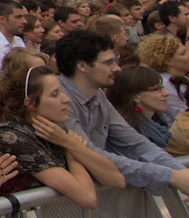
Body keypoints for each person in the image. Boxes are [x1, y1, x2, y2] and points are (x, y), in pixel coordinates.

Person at [55, 30, 189, 196]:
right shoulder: (59, 100)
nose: (117, 68)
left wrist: (180, 173)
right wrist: (170, 176)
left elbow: (134, 142)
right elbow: (92, 156)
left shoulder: (98, 95)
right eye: (109, 63)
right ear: (82, 66)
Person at [0, 65, 125, 208]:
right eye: (55, 94)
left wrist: (70, 143)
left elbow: (117, 180)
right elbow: (87, 197)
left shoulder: (55, 129)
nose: (66, 99)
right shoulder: (12, 136)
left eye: (62, 92)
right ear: (30, 103)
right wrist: (70, 149)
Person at [107, 65, 173, 149]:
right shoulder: (127, 131)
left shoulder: (159, 120)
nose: (166, 93)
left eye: (162, 88)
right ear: (136, 96)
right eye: (157, 89)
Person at [137, 33, 189, 124]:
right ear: (169, 61)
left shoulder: (182, 78)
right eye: (183, 53)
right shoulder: (164, 84)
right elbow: (183, 116)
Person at [0, 1, 27, 72]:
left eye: (23, 17)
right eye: (18, 17)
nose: (24, 21)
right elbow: (2, 75)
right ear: (2, 19)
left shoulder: (18, 40)